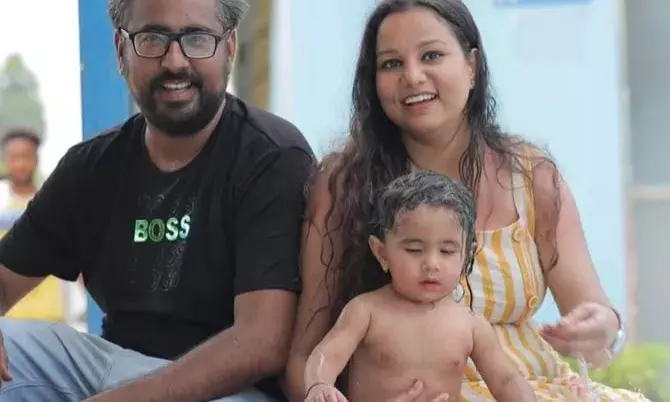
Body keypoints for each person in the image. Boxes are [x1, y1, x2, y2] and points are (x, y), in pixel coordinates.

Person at [285, 0, 649, 401]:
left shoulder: (532, 175)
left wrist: (602, 329)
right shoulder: (344, 184)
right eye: (391, 64)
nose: (412, 76)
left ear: (471, 66)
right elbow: (305, 357)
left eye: (431, 55)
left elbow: (596, 319)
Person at [0, 0, 314, 401]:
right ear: (121, 51)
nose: (175, 61)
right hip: (111, 369)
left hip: (230, 389)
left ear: (230, 47)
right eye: (152, 38)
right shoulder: (91, 167)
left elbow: (261, 343)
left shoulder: (271, 157)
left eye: (197, 38)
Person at [303, 171, 536, 402]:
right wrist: (319, 385)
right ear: (382, 253)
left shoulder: (471, 325)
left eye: (447, 251)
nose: (431, 264)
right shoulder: (366, 311)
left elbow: (506, 380)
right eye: (414, 250)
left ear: (467, 255)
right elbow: (327, 355)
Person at [0, 129, 69, 324]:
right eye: (14, 157)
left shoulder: (52, 202)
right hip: (7, 320)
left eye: (26, 156)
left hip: (51, 317)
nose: (20, 164)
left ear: (36, 159)